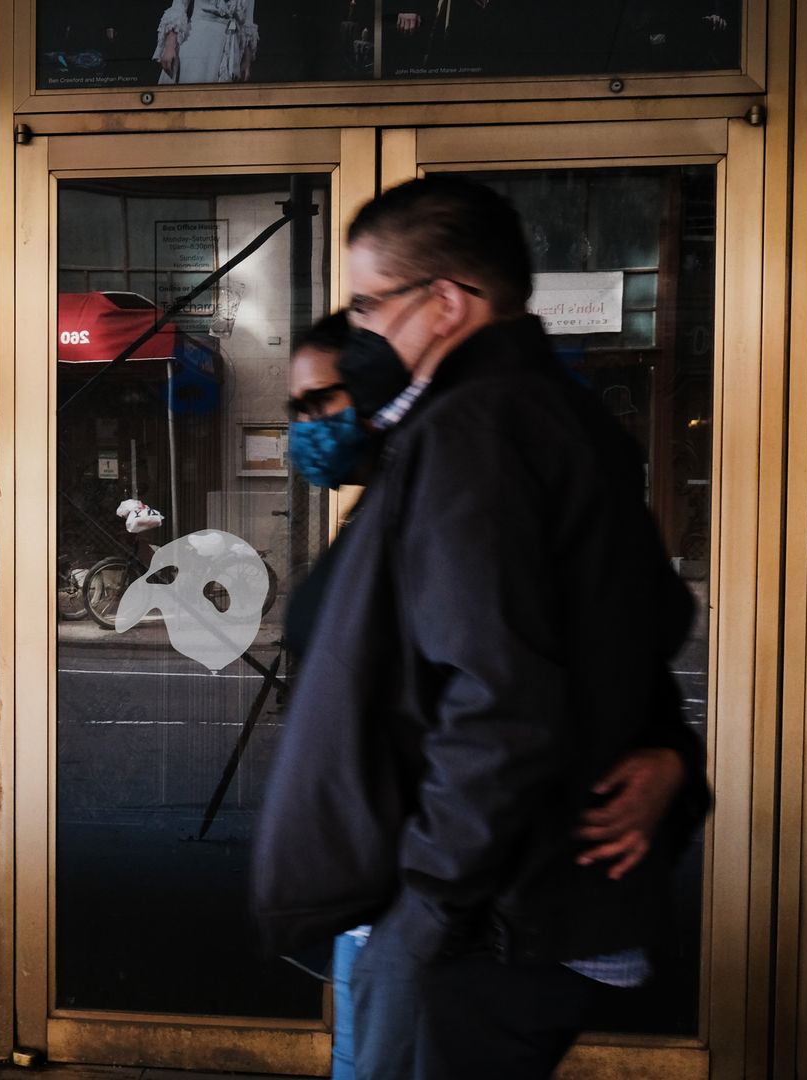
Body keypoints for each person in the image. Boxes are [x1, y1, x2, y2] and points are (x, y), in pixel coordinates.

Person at [253, 178, 710, 1079]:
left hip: (477, 928)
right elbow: (642, 623)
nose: (360, 331)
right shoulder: (554, 414)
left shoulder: (474, 431)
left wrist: (425, 913)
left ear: (448, 303)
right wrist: (670, 754)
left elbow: (499, 700)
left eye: (370, 305)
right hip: (501, 915)